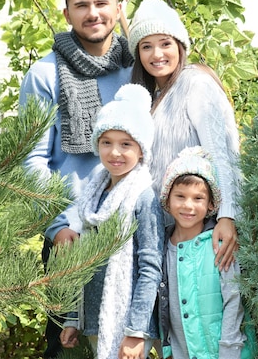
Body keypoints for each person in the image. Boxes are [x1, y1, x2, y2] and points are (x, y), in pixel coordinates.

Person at [17, 0, 135, 358]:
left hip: (131, 232)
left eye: (102, 3)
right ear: (66, 14)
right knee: (67, 349)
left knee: (131, 344)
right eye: (81, 5)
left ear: (119, 9)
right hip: (72, 237)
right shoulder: (45, 73)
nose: (93, 13)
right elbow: (32, 159)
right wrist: (57, 227)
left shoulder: (137, 70)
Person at [46, 84, 164, 359]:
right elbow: (84, 263)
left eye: (126, 144)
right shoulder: (93, 196)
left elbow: (150, 268)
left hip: (129, 324)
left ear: (141, 150)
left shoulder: (143, 198)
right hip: (96, 317)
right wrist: (75, 319)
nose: (114, 153)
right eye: (106, 142)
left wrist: (136, 331)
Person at [128, 0, 241, 271]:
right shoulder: (150, 98)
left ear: (180, 46)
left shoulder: (195, 84)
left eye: (165, 44)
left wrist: (228, 217)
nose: (157, 54)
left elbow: (223, 154)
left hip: (203, 233)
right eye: (146, 46)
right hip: (169, 238)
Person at [158, 147, 256, 359]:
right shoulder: (163, 248)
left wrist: (229, 350)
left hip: (224, 353)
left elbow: (233, 298)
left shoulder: (219, 244)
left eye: (198, 198)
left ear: (211, 203)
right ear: (167, 199)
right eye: (180, 196)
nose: (188, 205)